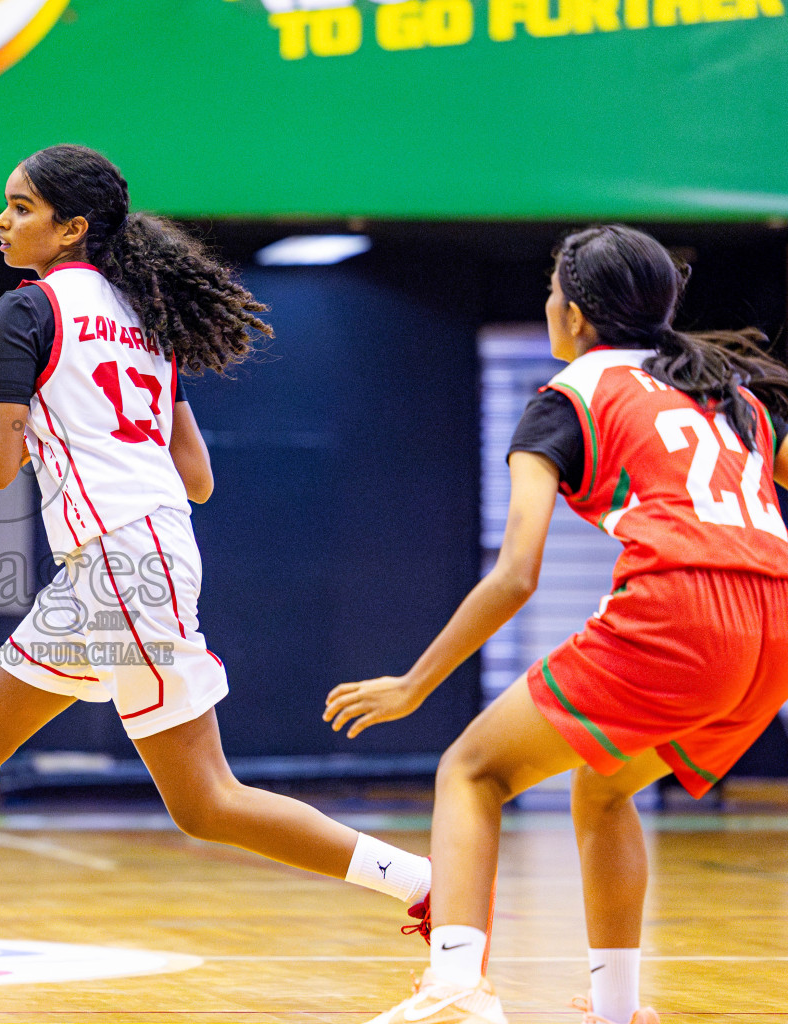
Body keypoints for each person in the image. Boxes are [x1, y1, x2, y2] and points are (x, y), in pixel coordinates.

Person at [0, 144, 437, 1024]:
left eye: (19, 207)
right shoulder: (147, 318)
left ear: (71, 227)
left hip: (116, 560)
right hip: (165, 547)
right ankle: (428, 887)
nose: (0, 220)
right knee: (206, 802)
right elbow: (199, 476)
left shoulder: (30, 311)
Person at [324, 225, 788, 1024]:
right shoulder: (731, 392)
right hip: (774, 623)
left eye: (551, 292)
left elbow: (516, 574)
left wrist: (413, 683)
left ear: (573, 315)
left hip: (680, 608)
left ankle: (456, 990)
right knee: (604, 789)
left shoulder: (567, 397)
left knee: (472, 770)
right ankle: (616, 1007)